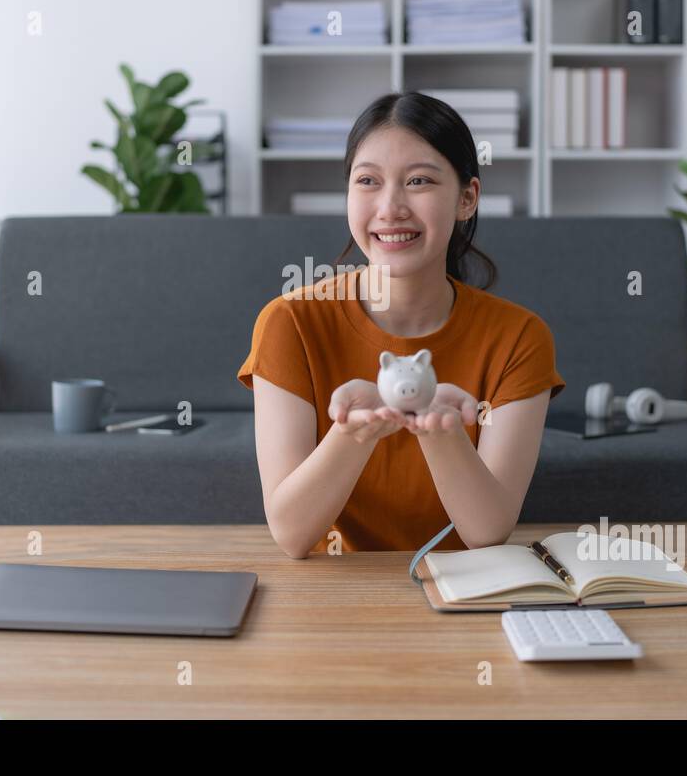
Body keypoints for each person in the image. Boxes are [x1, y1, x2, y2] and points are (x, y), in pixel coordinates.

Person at [237, 91, 565, 557]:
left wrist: (441, 431)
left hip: (464, 597)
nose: (390, 207)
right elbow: (292, 535)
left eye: (418, 181)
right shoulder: (289, 323)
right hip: (336, 600)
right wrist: (353, 432)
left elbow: (487, 533)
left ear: (467, 198)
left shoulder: (519, 338)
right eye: (367, 180)